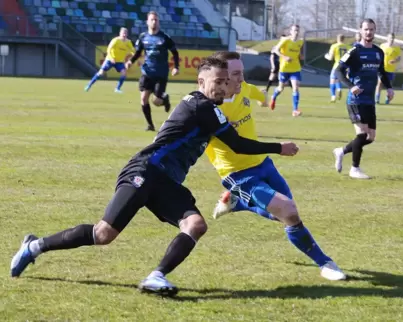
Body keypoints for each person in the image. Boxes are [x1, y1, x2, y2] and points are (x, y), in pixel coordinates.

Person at [10, 57, 300, 296]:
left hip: (167, 182)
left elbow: (229, 139)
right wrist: (279, 147)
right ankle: (35, 246)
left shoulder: (211, 111)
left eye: (225, 82)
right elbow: (238, 144)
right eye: (217, 82)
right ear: (201, 82)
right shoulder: (203, 107)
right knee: (103, 234)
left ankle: (156, 276)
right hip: (145, 170)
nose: (223, 87)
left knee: (195, 225)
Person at [206, 51, 346, 281]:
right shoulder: (209, 110)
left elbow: (256, 94)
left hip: (263, 163)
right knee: (288, 211)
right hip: (237, 175)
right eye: (235, 74)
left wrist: (266, 100)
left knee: (283, 213)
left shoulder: (245, 90)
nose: (241, 78)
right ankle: (325, 263)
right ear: (220, 77)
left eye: (242, 73)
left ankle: (237, 203)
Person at [332, 19, 394, 179]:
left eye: (372, 29)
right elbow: (338, 70)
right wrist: (351, 86)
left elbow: (382, 72)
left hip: (369, 101)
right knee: (362, 134)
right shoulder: (354, 51)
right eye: (366, 29)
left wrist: (389, 87)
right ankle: (355, 169)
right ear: (361, 30)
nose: (369, 32)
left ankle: (342, 151)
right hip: (355, 100)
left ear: (375, 31)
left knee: (370, 137)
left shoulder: (378, 52)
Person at [126, 11, 180, 131]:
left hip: (161, 73)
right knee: (144, 98)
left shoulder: (164, 37)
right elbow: (138, 52)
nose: (154, 22)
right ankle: (150, 125)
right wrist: (131, 61)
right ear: (147, 22)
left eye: (156, 20)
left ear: (158, 22)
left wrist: (176, 67)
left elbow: (175, 52)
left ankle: (165, 99)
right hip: (147, 72)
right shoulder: (143, 37)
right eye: (152, 20)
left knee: (156, 101)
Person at [85, 27, 134, 93]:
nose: (124, 35)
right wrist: (111, 58)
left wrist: (132, 55)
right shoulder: (115, 40)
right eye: (123, 33)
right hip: (110, 59)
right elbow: (108, 49)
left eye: (125, 33)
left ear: (127, 34)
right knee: (101, 73)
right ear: (120, 33)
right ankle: (89, 85)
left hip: (119, 61)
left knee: (124, 73)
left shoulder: (128, 42)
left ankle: (117, 89)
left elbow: (132, 50)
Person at [270, 24, 304, 117]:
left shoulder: (300, 42)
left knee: (295, 87)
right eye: (294, 30)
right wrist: (284, 57)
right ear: (291, 31)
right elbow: (275, 50)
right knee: (281, 88)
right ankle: (273, 97)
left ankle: (295, 110)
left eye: (297, 30)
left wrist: (300, 56)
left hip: (295, 68)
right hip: (284, 68)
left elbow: (298, 50)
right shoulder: (285, 40)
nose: (296, 32)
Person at [376, 33, 401, 105]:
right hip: (382, 68)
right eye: (390, 38)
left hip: (391, 69)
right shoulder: (382, 46)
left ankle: (388, 99)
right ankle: (377, 99)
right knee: (379, 83)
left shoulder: (396, 47)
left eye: (392, 38)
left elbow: (399, 58)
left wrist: (395, 60)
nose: (391, 39)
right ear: (387, 38)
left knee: (388, 85)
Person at [325, 34, 350, 103]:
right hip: (345, 67)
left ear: (337, 39)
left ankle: (333, 96)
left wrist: (326, 56)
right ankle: (339, 89)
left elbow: (330, 58)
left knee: (332, 80)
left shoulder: (334, 46)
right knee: (337, 80)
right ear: (344, 39)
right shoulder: (348, 47)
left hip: (337, 66)